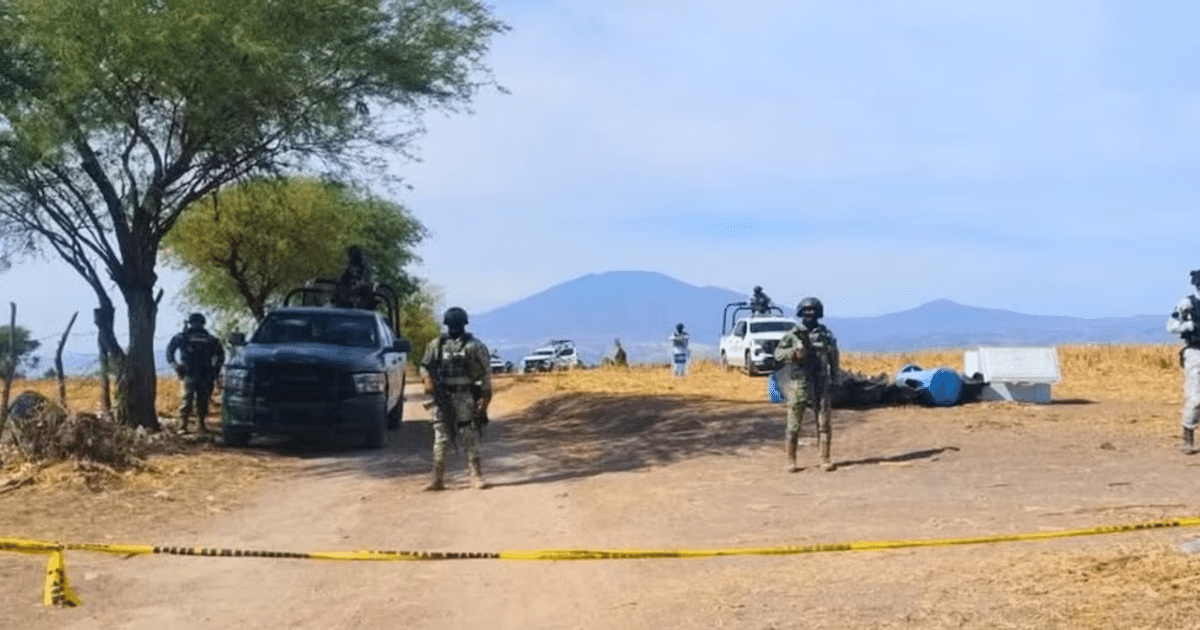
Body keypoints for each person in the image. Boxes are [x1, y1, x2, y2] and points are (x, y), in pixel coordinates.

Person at [420, 306, 493, 490]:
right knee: (441, 438)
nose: (454, 327)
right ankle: (437, 478)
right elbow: (425, 366)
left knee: (469, 436)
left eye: (457, 324)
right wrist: (427, 380)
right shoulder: (436, 345)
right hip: (442, 397)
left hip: (464, 395)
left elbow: (485, 373)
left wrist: (484, 402)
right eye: (452, 324)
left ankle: (476, 475)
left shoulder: (474, 346)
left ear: (464, 325)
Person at [773, 297, 840, 472]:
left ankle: (825, 458)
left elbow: (834, 355)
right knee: (794, 423)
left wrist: (835, 376)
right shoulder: (793, 335)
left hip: (821, 380)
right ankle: (791, 460)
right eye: (806, 310)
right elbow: (778, 354)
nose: (810, 313)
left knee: (824, 422)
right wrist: (794, 354)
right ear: (801, 312)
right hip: (799, 382)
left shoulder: (826, 334)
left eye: (813, 310)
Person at [166, 313, 225, 434]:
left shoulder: (187, 337)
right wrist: (176, 366)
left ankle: (198, 425)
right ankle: (185, 425)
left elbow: (170, 351)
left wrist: (216, 370)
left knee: (199, 399)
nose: (196, 325)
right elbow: (169, 352)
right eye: (195, 323)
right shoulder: (208, 338)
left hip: (201, 373)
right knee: (189, 399)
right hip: (193, 372)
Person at [1167, 269, 1200, 454]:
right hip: (1195, 352)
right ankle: (1188, 433)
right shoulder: (1188, 304)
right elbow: (1171, 326)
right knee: (1195, 397)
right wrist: (1189, 325)